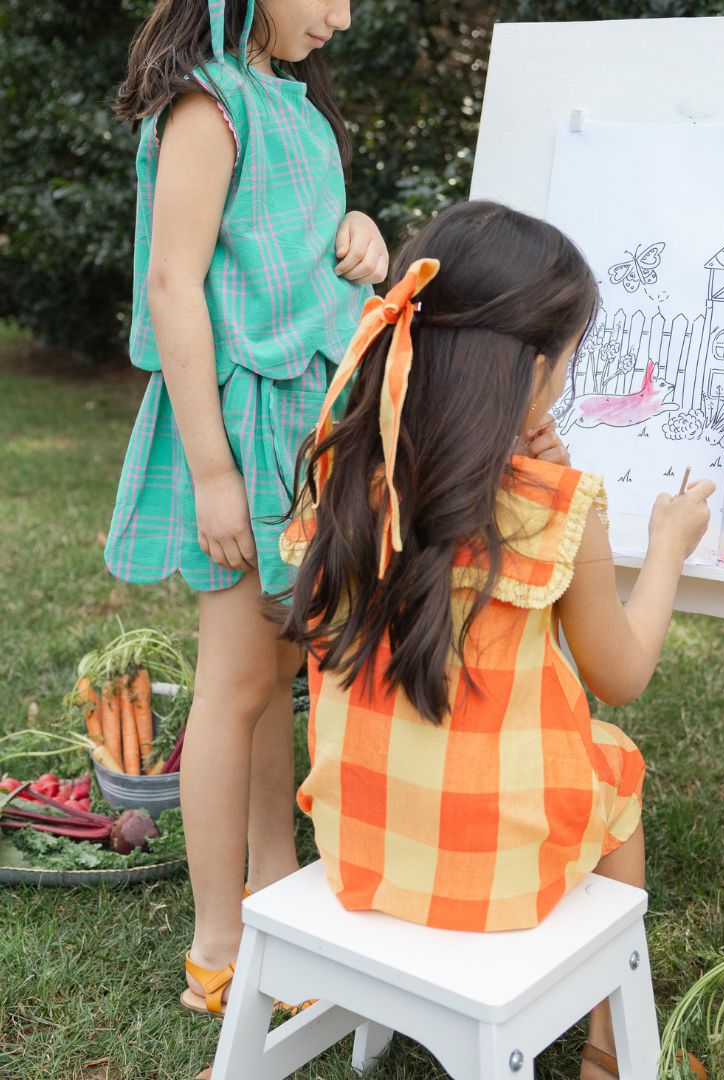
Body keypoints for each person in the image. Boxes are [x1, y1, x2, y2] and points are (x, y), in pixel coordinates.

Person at [278, 200, 714, 1078]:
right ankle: (607, 1051)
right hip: (497, 882)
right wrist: (665, 546)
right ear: (535, 371)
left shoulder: (341, 469)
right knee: (615, 757)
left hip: (356, 849)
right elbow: (621, 674)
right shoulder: (561, 507)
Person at [105, 0, 387, 1016]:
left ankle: (277, 890)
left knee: (275, 674)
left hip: (306, 429)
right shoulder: (207, 110)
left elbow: (303, 248)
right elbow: (175, 287)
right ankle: (219, 943)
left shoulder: (296, 106)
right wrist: (214, 473)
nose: (344, 17)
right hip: (241, 429)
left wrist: (360, 236)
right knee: (233, 689)